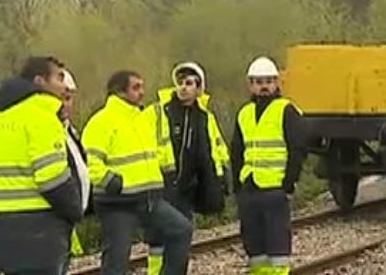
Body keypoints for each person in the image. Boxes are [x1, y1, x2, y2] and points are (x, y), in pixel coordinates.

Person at [0, 56, 83, 275]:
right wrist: (75, 209)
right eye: (59, 77)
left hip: (2, 233)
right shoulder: (41, 119)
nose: (64, 84)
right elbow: (52, 180)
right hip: (40, 234)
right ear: (40, 81)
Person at [81, 70, 193, 275]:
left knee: (181, 230)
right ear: (119, 91)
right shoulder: (101, 122)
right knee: (117, 259)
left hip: (149, 199)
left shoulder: (142, 119)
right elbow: (89, 162)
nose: (142, 92)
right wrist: (112, 182)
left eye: (142, 86)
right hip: (117, 203)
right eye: (136, 87)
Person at [146, 61, 230, 275]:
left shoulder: (204, 117)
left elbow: (216, 147)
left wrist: (219, 179)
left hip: (187, 188)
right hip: (161, 183)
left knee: (181, 241)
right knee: (158, 242)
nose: (183, 87)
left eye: (190, 83)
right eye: (181, 82)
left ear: (199, 88)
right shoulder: (158, 111)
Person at [231, 56, 305, 275]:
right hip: (250, 188)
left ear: (277, 83)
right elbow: (236, 152)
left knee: (277, 246)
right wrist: (238, 186)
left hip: (274, 189)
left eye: (269, 81)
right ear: (250, 84)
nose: (264, 86)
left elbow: (297, 149)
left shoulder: (286, 110)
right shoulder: (244, 113)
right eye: (258, 81)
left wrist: (288, 184)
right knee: (255, 249)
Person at [61, 69, 91, 274]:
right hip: (49, 227)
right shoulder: (45, 131)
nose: (64, 104)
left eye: (68, 98)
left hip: (66, 223)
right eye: (60, 98)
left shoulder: (69, 130)